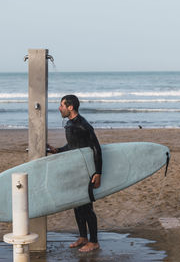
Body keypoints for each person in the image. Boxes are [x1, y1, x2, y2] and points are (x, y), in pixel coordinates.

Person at [48, 94, 102, 252]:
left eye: (62, 106)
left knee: (86, 207)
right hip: (76, 169)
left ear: (70, 107)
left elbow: (96, 149)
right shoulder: (72, 123)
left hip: (86, 171)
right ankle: (83, 237)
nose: (59, 108)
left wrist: (98, 173)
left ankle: (94, 241)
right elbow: (73, 146)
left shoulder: (83, 125)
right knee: (77, 206)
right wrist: (57, 150)